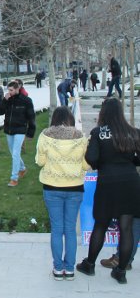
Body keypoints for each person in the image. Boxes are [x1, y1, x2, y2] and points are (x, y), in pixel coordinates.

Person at [76, 98, 140, 284]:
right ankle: (120, 271)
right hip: (131, 182)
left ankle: (89, 265)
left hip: (108, 182)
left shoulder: (98, 133)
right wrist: (128, 162)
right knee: (126, 227)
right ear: (120, 112)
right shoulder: (133, 133)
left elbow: (92, 158)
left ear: (103, 112)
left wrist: (104, 162)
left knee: (101, 225)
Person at [35, 106, 89, 280]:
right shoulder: (80, 137)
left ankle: (58, 269)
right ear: (70, 119)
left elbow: (39, 161)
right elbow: (86, 165)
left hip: (52, 188)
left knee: (57, 229)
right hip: (75, 188)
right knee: (70, 229)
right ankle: (70, 269)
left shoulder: (45, 136)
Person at [0, 81, 36, 187]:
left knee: (15, 153)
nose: (9, 92)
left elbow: (31, 117)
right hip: (9, 129)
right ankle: (22, 168)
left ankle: (14, 178)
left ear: (17, 89)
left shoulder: (26, 101)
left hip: (20, 130)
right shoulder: (8, 99)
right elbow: (0, 111)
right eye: (8, 90)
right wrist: (5, 100)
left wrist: (30, 132)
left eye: (11, 90)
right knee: (13, 153)